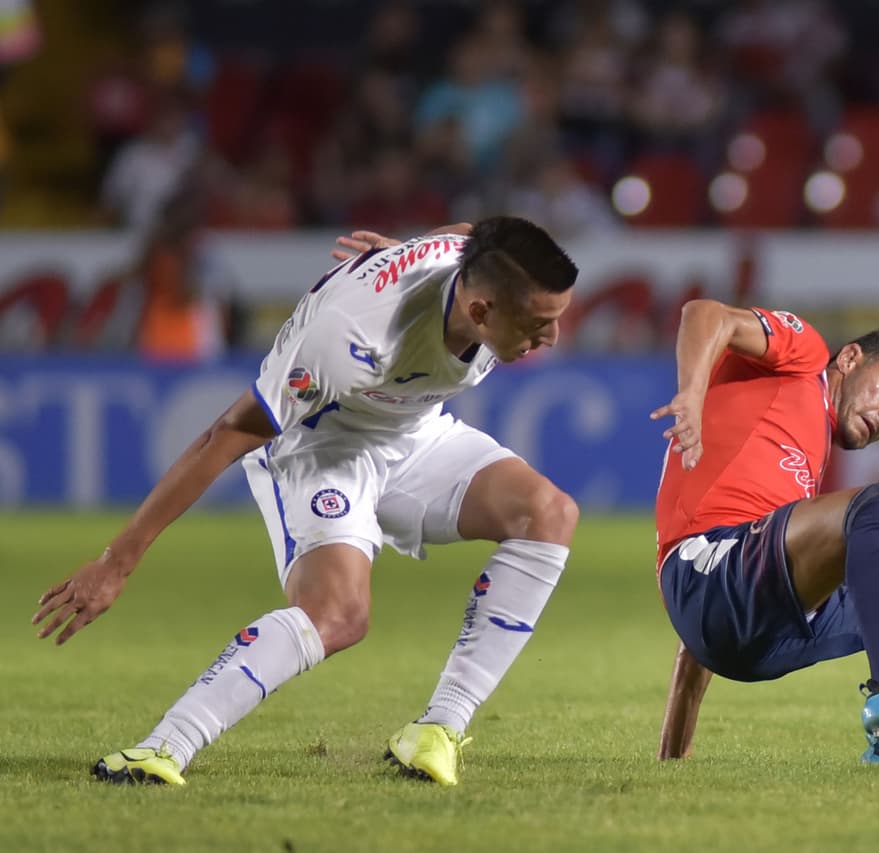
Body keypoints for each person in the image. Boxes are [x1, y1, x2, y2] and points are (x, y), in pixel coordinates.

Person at [32, 217, 580, 788]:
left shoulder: (474, 264)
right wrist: (117, 562)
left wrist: (404, 255)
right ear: (480, 311)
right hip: (322, 447)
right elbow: (227, 434)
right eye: (537, 324)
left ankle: (438, 729)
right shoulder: (350, 338)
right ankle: (162, 748)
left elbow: (469, 231)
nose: (552, 337)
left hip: (412, 431)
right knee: (338, 615)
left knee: (549, 514)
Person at [650, 299, 879, 764]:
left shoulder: (803, 459)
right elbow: (704, 314)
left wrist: (674, 752)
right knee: (877, 504)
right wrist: (692, 397)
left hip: (752, 630)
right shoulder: (805, 358)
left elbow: (711, 628)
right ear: (851, 358)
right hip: (703, 575)